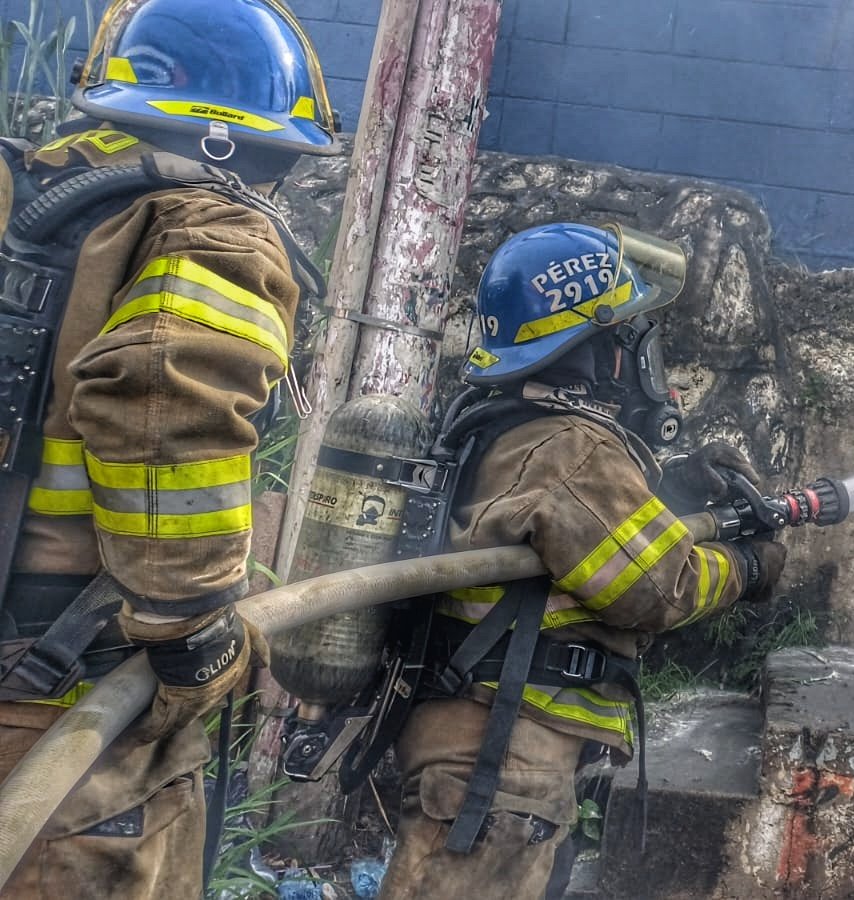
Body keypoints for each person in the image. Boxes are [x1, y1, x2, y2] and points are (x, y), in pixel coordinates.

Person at [0, 0, 337, 894]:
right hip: (62, 694)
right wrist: (193, 634)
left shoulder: (29, 200)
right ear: (233, 140)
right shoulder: (206, 232)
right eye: (280, 157)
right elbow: (165, 409)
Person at [376, 222, 787, 899]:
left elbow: (580, 536)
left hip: (487, 744)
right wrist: (749, 566)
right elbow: (659, 586)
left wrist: (679, 486)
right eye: (630, 334)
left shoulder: (508, 424)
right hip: (503, 757)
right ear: (601, 345)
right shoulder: (571, 448)